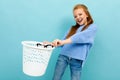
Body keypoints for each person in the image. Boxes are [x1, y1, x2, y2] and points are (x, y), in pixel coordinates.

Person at [45, 4, 97, 80]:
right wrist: (51, 44)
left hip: (77, 59)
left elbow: (80, 37)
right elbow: (62, 42)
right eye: (75, 16)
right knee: (56, 78)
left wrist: (63, 42)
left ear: (86, 14)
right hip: (63, 56)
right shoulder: (72, 28)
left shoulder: (92, 27)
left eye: (80, 14)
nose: (78, 17)